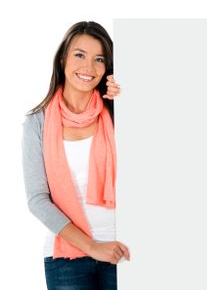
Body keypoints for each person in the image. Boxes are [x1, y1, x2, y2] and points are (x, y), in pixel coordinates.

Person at [22, 21, 129, 290]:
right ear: (63, 59)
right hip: (67, 257)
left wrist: (129, 100)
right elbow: (37, 200)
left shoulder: (119, 113)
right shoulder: (38, 121)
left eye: (99, 59)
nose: (88, 68)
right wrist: (92, 247)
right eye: (79, 55)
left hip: (124, 251)